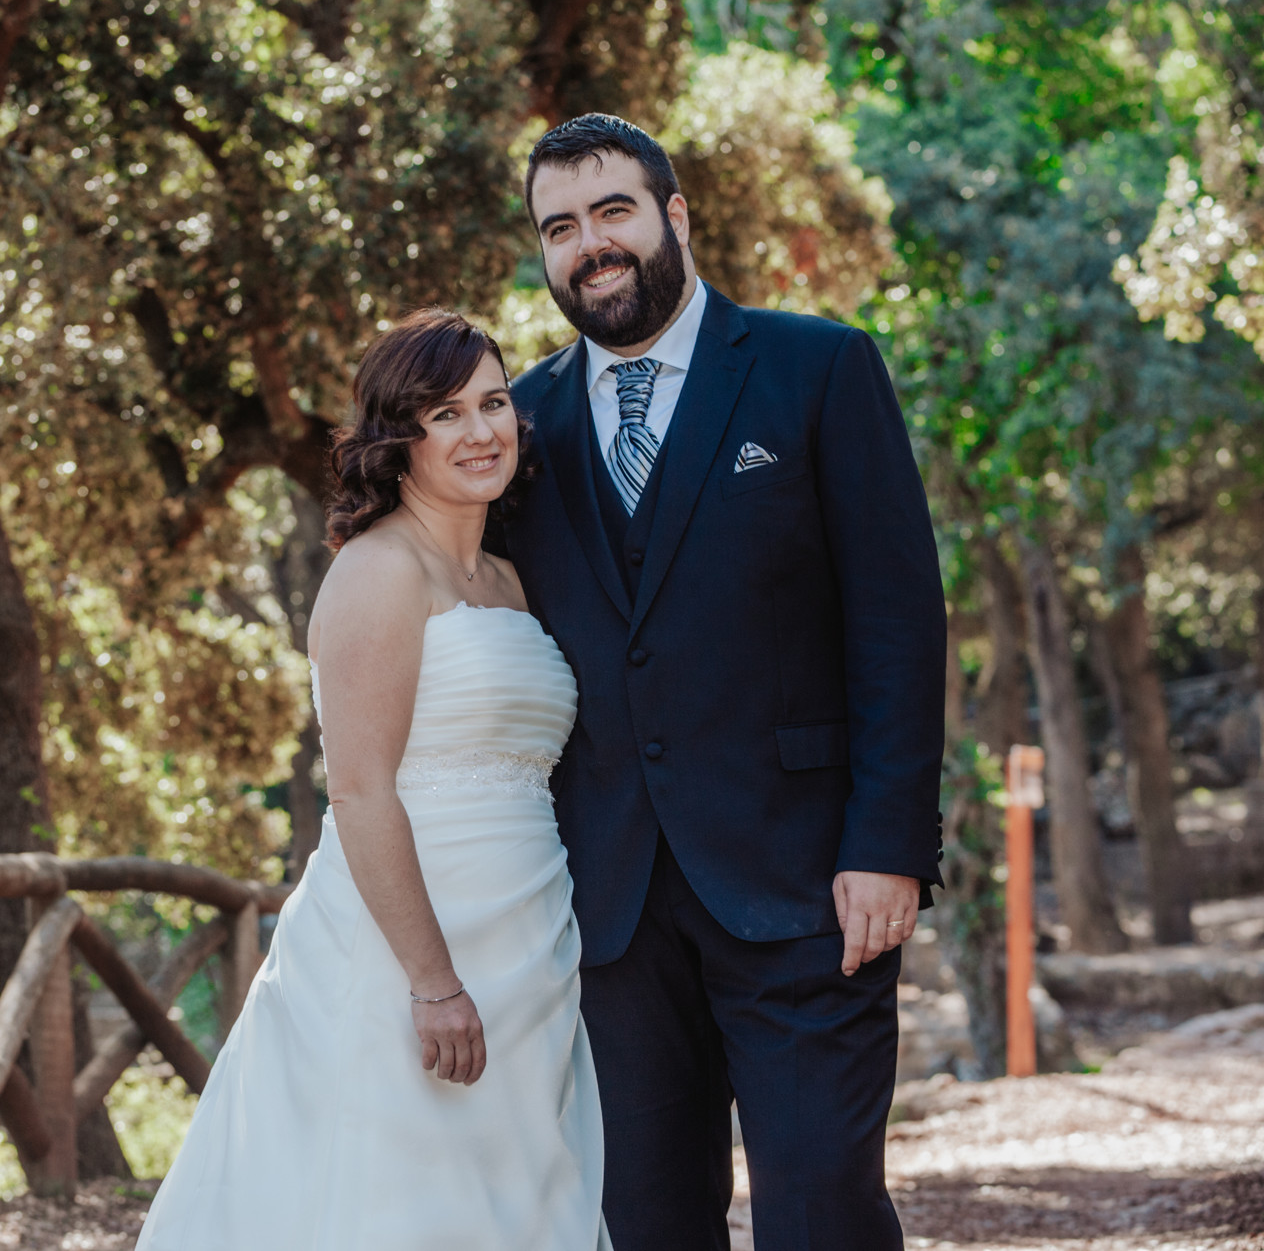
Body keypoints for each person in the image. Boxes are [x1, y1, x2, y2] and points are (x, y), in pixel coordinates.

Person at [494, 112, 946, 1250]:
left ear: (672, 215)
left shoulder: (816, 367)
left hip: (805, 887)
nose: (588, 245)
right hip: (608, 910)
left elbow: (895, 622)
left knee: (819, 1217)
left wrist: (886, 843)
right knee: (644, 1224)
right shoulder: (521, 427)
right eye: (559, 227)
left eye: (611, 212)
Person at [135, 310, 611, 1251]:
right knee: (398, 1196)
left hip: (529, 940)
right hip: (409, 947)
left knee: (513, 1194)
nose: (482, 432)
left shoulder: (510, 582)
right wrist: (433, 983)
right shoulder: (378, 571)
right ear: (401, 436)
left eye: (495, 402)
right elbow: (358, 789)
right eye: (446, 413)